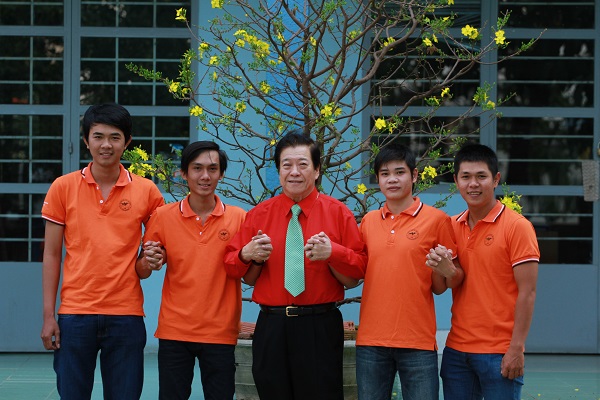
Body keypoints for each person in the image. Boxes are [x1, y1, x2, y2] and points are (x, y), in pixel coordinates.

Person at [224, 129, 367, 400]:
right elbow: (231, 267)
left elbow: (359, 269)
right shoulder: (258, 215)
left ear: (317, 170)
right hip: (272, 324)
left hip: (320, 325)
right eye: (286, 165)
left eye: (303, 164)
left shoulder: (338, 213)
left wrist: (333, 252)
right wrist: (246, 253)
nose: (294, 172)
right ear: (278, 171)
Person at [40, 103, 165, 399]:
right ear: (86, 141)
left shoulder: (147, 191)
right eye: (98, 136)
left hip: (126, 314)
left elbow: (148, 263)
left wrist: (150, 261)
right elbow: (52, 254)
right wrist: (48, 316)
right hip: (74, 314)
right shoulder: (62, 187)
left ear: (127, 142)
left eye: (114, 137)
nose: (106, 145)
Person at [136, 141, 246, 400]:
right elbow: (142, 270)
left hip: (220, 332)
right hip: (175, 330)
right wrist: (149, 261)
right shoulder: (163, 216)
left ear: (221, 174)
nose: (205, 176)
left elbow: (247, 269)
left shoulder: (239, 218)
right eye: (197, 168)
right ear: (183, 173)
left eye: (212, 169)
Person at [355, 143, 463, 400]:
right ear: (378, 179)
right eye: (384, 173)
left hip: (417, 341)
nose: (392, 179)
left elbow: (443, 284)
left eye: (399, 172)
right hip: (371, 341)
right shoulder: (368, 222)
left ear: (414, 175)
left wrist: (447, 270)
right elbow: (356, 269)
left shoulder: (437, 220)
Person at [440, 143, 540, 400]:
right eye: (466, 177)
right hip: (456, 352)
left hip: (499, 352)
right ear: (456, 181)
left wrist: (516, 348)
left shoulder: (517, 227)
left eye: (481, 176)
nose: (473, 184)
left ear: (495, 180)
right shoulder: (451, 226)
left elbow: (528, 292)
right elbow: (448, 281)